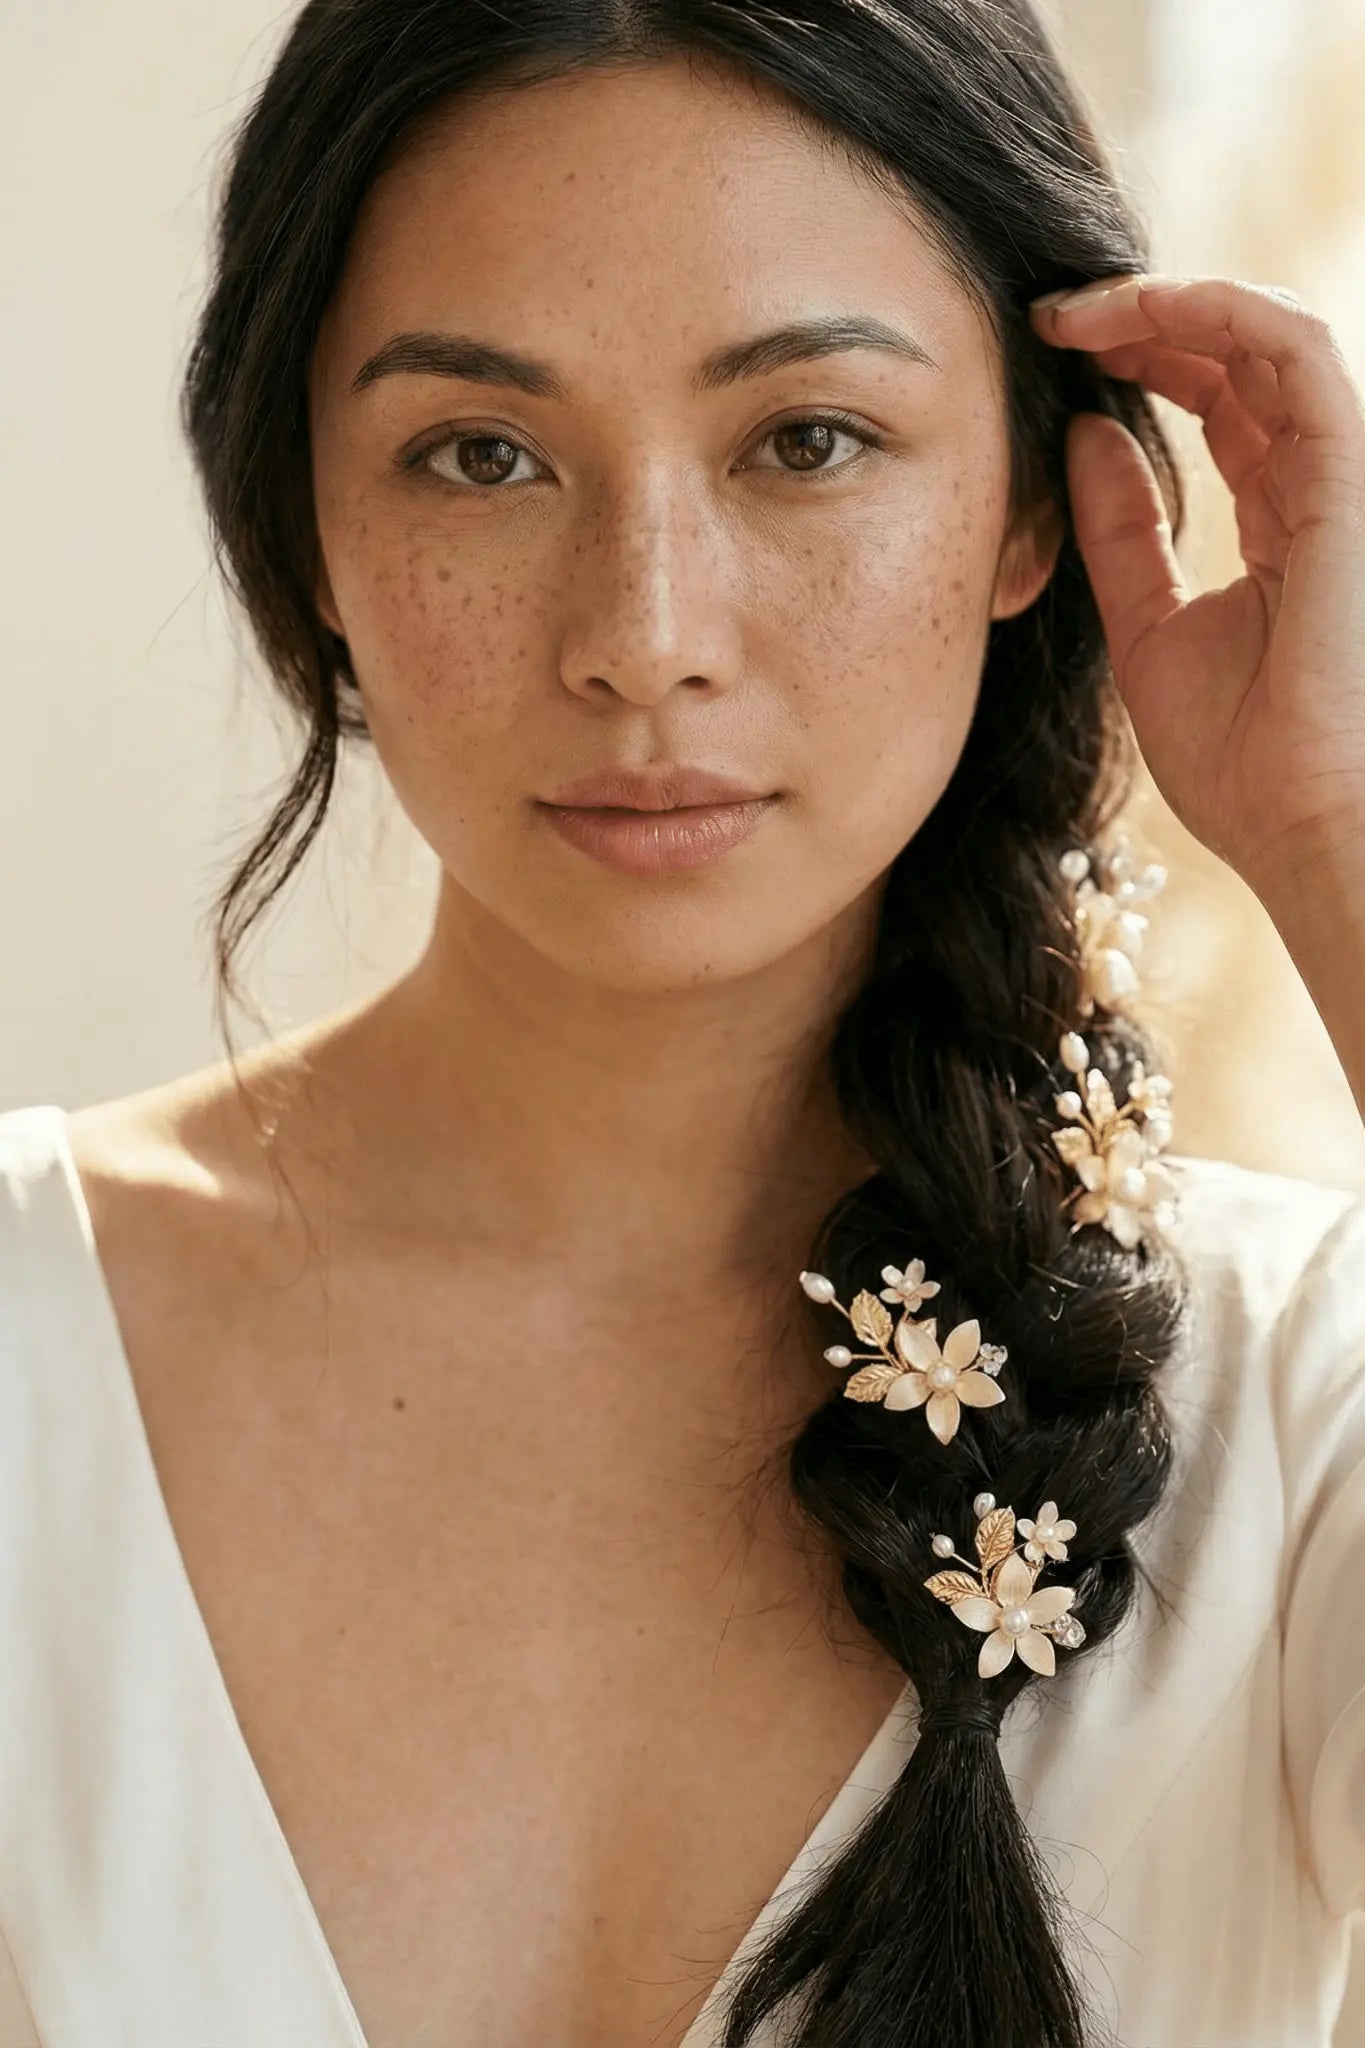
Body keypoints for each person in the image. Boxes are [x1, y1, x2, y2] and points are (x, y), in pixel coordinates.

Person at [2, 0, 1364, 2043]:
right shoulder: (28, 1346)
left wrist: (1339, 841)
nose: (643, 637)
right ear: (308, 526)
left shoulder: (1298, 1407)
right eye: (482, 454)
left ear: (1033, 503)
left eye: (805, 440)